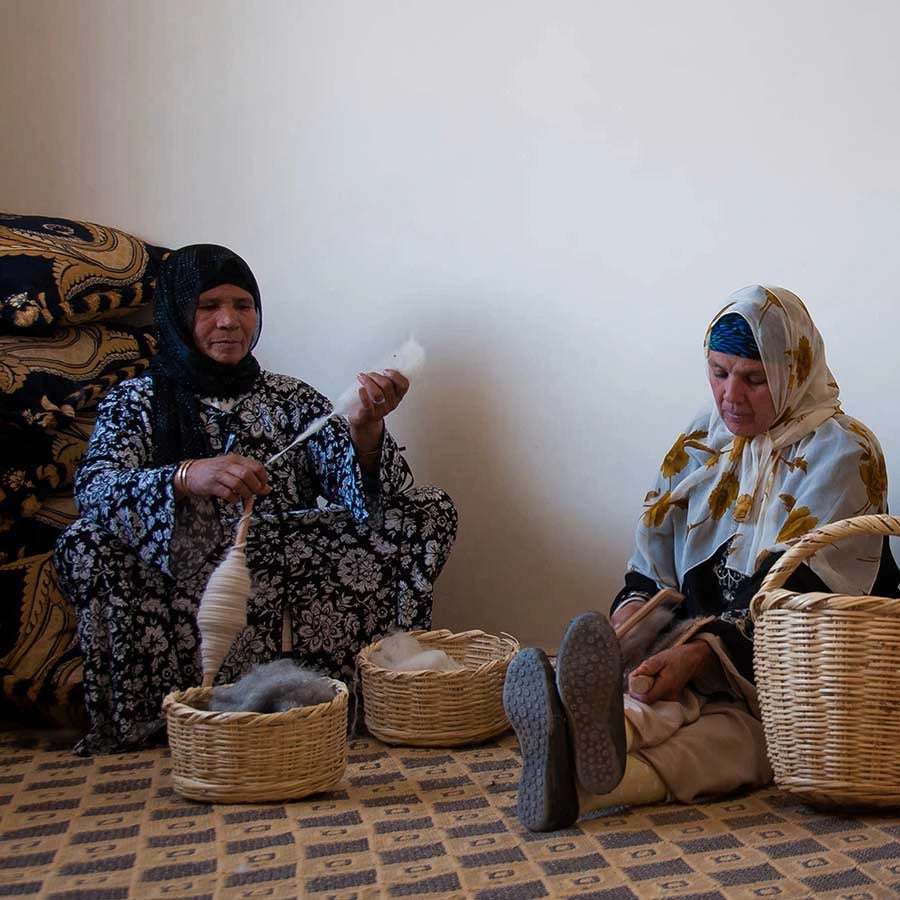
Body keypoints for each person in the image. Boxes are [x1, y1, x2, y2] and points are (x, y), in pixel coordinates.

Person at [503, 284, 896, 831]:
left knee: (755, 741)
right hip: (695, 651)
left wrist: (705, 654)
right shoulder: (699, 439)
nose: (730, 394)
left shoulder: (842, 451)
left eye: (754, 379)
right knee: (671, 701)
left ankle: (576, 765)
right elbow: (652, 564)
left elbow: (803, 596)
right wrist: (631, 622)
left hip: (799, 673)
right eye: (718, 372)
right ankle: (600, 731)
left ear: (793, 372)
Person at [55, 244, 458, 754]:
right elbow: (94, 489)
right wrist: (186, 475)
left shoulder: (292, 399)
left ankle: (366, 694)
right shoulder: (135, 402)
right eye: (208, 306)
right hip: (183, 564)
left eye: (243, 305)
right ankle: (156, 713)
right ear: (178, 315)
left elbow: (373, 498)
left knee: (426, 508)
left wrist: (365, 426)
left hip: (288, 558)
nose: (228, 321)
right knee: (85, 541)